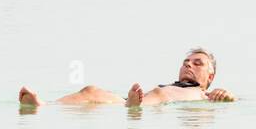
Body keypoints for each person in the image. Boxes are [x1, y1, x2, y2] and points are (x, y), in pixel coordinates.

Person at [18, 48, 236, 106]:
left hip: (149, 102)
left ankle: (136, 107)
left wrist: (228, 96)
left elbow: (232, 100)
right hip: (136, 102)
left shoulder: (205, 94)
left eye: (198, 63)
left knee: (156, 95)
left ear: (211, 76)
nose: (189, 64)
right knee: (90, 90)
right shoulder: (173, 86)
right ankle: (45, 105)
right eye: (186, 62)